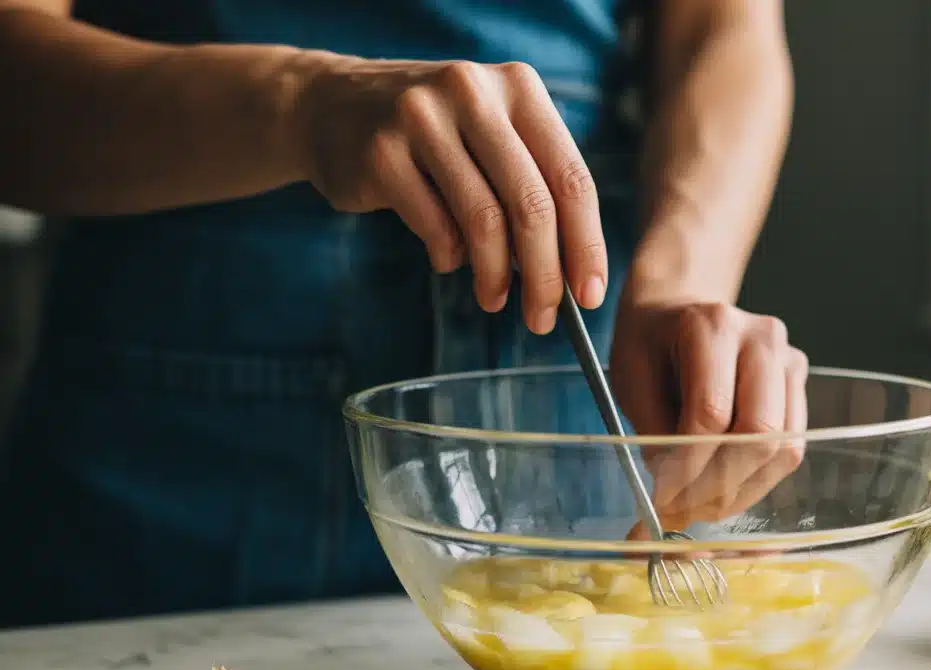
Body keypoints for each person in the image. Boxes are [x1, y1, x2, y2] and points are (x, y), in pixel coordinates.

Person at [0, 0, 805, 628]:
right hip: (174, 439)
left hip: (569, 398)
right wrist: (302, 106)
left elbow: (722, 33)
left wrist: (680, 280)